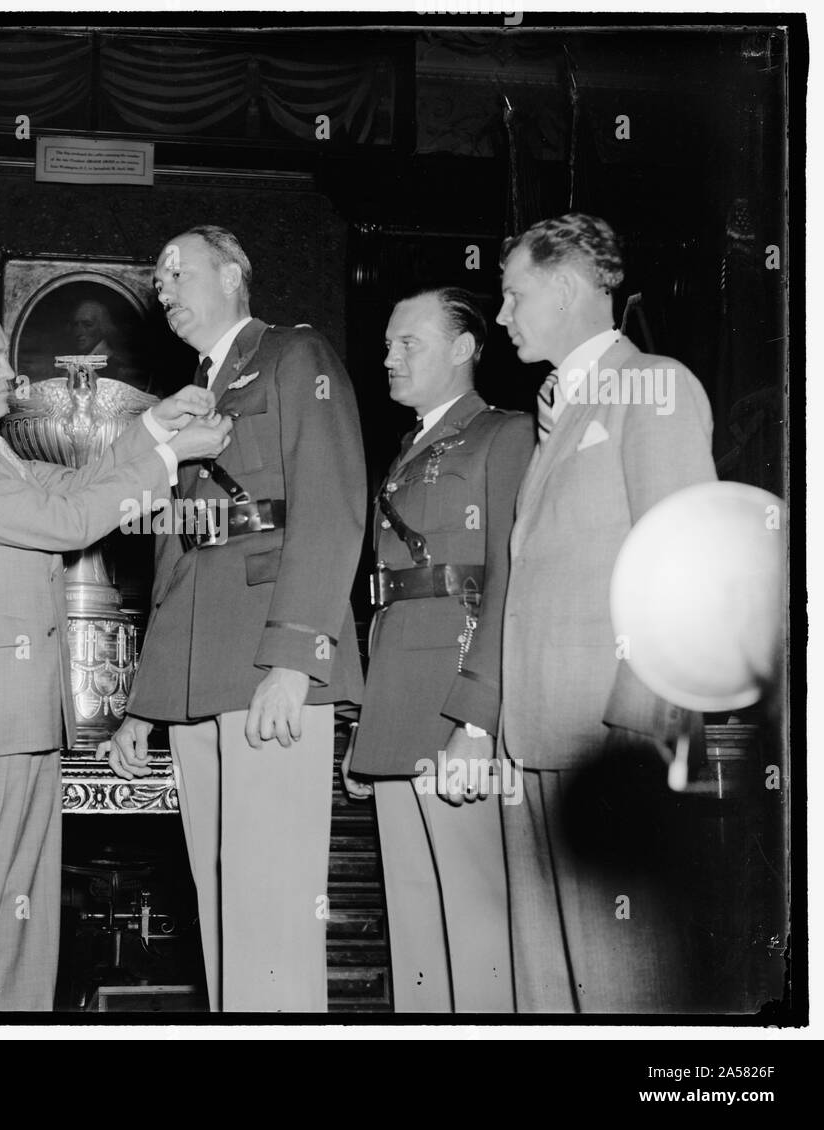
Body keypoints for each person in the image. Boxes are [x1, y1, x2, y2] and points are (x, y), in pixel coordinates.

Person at [0, 300, 231, 1011]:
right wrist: (169, 459)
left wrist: (154, 428)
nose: (11, 373)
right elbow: (64, 521)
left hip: (13, 722)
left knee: (17, 939)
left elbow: (70, 486)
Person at [105, 226, 366, 1012]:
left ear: (236, 273)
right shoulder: (188, 398)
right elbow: (178, 555)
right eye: (158, 278)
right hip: (197, 676)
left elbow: (330, 509)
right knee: (220, 902)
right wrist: (146, 707)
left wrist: (295, 661)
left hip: (266, 661)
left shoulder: (295, 356)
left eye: (180, 270)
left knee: (275, 903)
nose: (166, 288)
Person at [492, 212, 717, 1012]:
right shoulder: (557, 414)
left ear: (561, 288)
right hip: (537, 734)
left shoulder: (651, 386)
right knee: (547, 988)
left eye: (514, 295)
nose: (502, 314)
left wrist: (641, 725)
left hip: (611, 737)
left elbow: (684, 561)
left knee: (624, 986)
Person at [342, 287, 534, 1012]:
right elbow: (392, 600)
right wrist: (371, 721)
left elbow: (508, 583)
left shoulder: (504, 436)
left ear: (462, 349)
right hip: (401, 710)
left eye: (408, 343)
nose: (388, 357)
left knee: (477, 925)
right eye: (387, 344)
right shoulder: (405, 452)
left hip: (456, 708)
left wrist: (478, 723)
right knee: (416, 931)